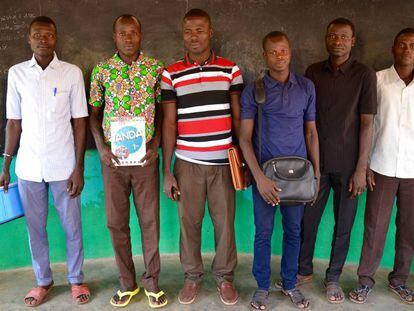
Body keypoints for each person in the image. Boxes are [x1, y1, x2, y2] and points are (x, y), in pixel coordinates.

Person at [0, 16, 90, 307]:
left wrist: (79, 167)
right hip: (27, 166)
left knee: (72, 227)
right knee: (35, 229)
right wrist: (5, 165)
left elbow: (80, 122)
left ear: (55, 38)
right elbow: (13, 122)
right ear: (29, 39)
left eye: (48, 35)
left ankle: (76, 280)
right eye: (37, 35)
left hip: (64, 165)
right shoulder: (17, 73)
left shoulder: (71, 73)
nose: (42, 40)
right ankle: (43, 281)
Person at [161, 8, 243, 306]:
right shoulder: (171, 73)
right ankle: (192, 277)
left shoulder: (229, 70)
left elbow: (237, 119)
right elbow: (169, 123)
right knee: (189, 223)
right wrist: (167, 171)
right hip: (187, 163)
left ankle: (224, 277)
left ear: (211, 32)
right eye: (188, 31)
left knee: (224, 223)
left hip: (222, 163)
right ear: (182, 34)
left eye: (200, 30)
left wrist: (241, 160)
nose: (194, 36)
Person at [89, 14, 167, 308]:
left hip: (145, 157)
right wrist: (102, 149)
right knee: (116, 223)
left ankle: (152, 282)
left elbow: (163, 113)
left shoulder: (155, 69)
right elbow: (94, 116)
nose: (128, 38)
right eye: (123, 33)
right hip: (113, 160)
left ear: (141, 35)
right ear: (115, 37)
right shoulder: (102, 70)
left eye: (133, 32)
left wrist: (157, 144)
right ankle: (127, 283)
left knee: (150, 222)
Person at [298, 18, 377, 303]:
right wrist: (311, 165)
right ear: (326, 39)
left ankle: (333, 278)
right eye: (333, 35)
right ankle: (303, 269)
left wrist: (361, 168)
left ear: (353, 41)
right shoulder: (312, 73)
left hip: (349, 167)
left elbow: (367, 124)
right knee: (308, 219)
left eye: (344, 37)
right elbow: (308, 121)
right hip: (317, 164)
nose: (338, 41)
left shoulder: (365, 75)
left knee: (343, 225)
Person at [239, 31, 320, 310]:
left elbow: (311, 133)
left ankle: (289, 284)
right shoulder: (254, 90)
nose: (279, 56)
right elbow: (244, 138)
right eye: (273, 52)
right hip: (266, 178)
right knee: (263, 232)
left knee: (294, 231)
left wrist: (316, 174)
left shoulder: (306, 87)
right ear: (264, 56)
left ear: (290, 51)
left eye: (283, 50)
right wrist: (259, 178)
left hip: (298, 176)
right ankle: (261, 287)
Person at [349, 28, 414, 305]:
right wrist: (365, 165)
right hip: (382, 166)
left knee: (409, 229)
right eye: (402, 44)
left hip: (413, 170)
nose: (407, 49)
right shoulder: (377, 80)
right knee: (375, 227)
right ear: (393, 48)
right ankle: (365, 280)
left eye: (413, 45)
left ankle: (399, 280)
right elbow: (367, 125)